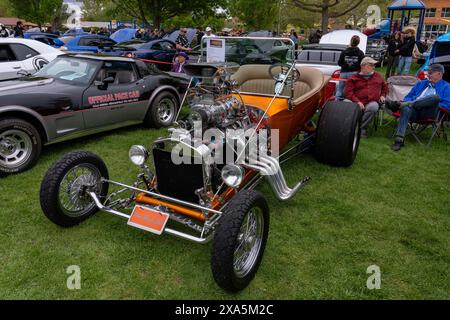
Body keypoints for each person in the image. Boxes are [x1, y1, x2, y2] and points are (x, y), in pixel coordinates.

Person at [385, 64, 450, 151]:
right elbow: (408, 97)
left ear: (439, 74)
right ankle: (399, 141)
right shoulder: (421, 83)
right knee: (406, 108)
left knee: (436, 98)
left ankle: (401, 105)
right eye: (428, 72)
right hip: (414, 111)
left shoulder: (447, 87)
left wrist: (430, 103)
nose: (428, 74)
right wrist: (412, 102)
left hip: (430, 113)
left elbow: (447, 104)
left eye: (430, 72)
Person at [344, 57, 387, 138]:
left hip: (371, 102)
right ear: (363, 66)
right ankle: (348, 127)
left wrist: (382, 95)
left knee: (374, 107)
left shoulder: (377, 76)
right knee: (346, 104)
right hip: (355, 101)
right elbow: (348, 93)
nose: (373, 67)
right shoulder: (353, 78)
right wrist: (357, 101)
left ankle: (360, 128)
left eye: (373, 65)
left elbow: (385, 86)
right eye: (371, 65)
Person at [336, 35, 365, 100]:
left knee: (340, 89)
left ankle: (337, 102)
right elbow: (363, 64)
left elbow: (339, 63)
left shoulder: (344, 52)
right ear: (358, 43)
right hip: (354, 73)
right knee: (353, 90)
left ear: (351, 41)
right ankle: (351, 104)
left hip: (343, 73)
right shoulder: (360, 53)